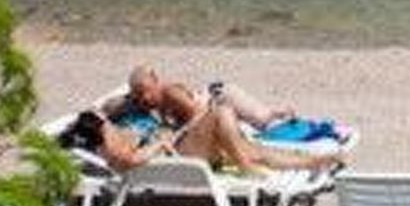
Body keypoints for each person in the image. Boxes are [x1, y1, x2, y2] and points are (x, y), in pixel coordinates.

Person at [57, 103, 333, 174]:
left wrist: (166, 131)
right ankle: (246, 167)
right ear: (97, 129)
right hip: (180, 157)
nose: (107, 119)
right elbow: (133, 160)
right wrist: (159, 142)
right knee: (221, 112)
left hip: (178, 145)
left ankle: (312, 162)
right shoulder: (112, 148)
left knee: (251, 148)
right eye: (102, 120)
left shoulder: (111, 135)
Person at [118, 64, 291, 133]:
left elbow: (198, 113)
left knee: (262, 120)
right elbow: (118, 106)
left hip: (222, 96)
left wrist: (177, 132)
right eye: (139, 94)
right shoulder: (149, 101)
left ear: (156, 82)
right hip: (212, 98)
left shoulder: (170, 93)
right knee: (254, 122)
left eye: (146, 91)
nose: (144, 97)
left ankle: (281, 111)